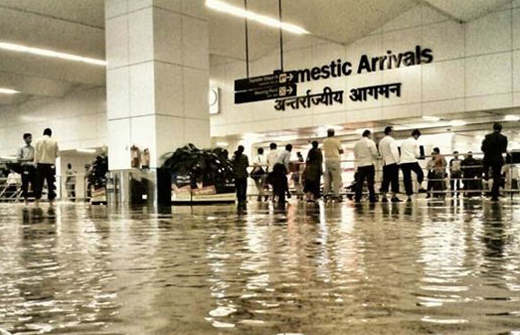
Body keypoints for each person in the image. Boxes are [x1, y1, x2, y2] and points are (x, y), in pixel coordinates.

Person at [481, 122, 508, 201]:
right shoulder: (503, 138)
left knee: (487, 173)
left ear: (493, 128)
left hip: (487, 159)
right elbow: (503, 150)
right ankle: (494, 195)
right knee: (497, 177)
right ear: (500, 129)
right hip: (497, 159)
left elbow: (482, 148)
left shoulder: (487, 137)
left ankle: (486, 176)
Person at [34, 128, 59, 206]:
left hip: (40, 164)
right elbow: (57, 154)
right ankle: (51, 201)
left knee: (39, 183)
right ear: (50, 134)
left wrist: (35, 163)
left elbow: (36, 154)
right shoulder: (54, 141)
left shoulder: (37, 141)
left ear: (43, 133)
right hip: (50, 164)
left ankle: (37, 201)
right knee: (50, 184)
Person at [400, 129, 426, 202]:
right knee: (420, 173)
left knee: (407, 178)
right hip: (411, 161)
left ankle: (409, 195)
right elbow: (417, 155)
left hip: (403, 162)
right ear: (416, 135)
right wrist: (420, 155)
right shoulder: (415, 142)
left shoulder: (404, 142)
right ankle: (419, 186)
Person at [353, 130, 378, 203]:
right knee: (370, 182)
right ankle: (372, 197)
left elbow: (355, 154)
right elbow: (374, 153)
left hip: (360, 165)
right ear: (369, 135)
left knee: (359, 183)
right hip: (369, 164)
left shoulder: (357, 143)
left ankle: (357, 198)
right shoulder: (370, 142)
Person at [378, 126, 401, 202]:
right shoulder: (391, 140)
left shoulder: (381, 141)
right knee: (394, 180)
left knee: (385, 180)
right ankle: (394, 196)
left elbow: (380, 152)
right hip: (392, 162)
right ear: (389, 132)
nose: (394, 132)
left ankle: (384, 196)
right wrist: (397, 161)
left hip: (385, 162)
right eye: (393, 131)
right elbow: (394, 151)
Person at [322, 128, 344, 201]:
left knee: (327, 178)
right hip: (335, 160)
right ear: (333, 133)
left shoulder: (324, 141)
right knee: (336, 178)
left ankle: (325, 194)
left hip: (327, 160)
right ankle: (336, 195)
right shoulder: (336, 141)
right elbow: (341, 150)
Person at [17, 133, 35, 204]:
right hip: (25, 167)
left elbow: (34, 158)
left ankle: (34, 199)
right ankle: (25, 199)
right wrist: (27, 159)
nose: (30, 139)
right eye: (29, 138)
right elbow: (18, 159)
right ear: (25, 139)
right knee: (25, 184)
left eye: (31, 138)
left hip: (32, 167)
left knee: (34, 183)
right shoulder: (21, 148)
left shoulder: (33, 148)